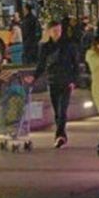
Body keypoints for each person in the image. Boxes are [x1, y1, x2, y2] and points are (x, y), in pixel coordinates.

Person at [25, 17, 79, 148]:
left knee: (63, 110)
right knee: (57, 111)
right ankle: (62, 134)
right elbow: (41, 65)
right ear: (49, 32)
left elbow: (75, 65)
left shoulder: (68, 45)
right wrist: (34, 77)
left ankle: (59, 136)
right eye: (54, 31)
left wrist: (73, 80)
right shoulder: (45, 47)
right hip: (52, 81)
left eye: (59, 30)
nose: (57, 33)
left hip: (66, 81)